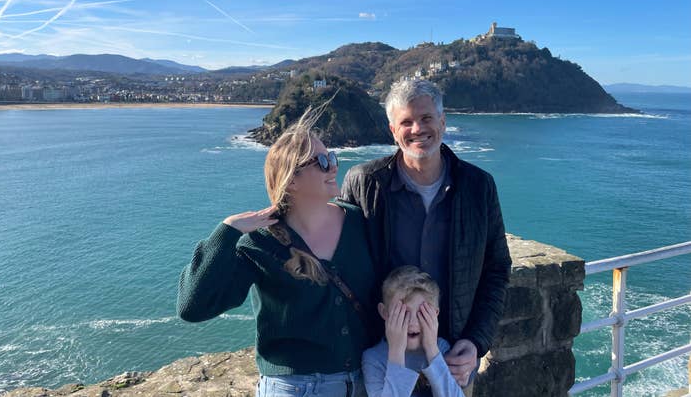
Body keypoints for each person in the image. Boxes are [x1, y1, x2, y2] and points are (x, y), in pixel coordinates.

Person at [178, 110, 378, 397]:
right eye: (322, 162)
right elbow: (191, 307)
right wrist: (227, 231)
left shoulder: (358, 222)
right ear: (292, 180)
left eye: (331, 157)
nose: (334, 167)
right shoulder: (260, 244)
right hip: (295, 389)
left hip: (363, 381)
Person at [341, 80, 511, 396]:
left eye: (427, 118)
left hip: (451, 362)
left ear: (443, 122)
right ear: (393, 130)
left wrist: (475, 342)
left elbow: (497, 270)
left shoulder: (478, 187)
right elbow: (339, 264)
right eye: (406, 121)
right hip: (383, 363)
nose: (417, 128)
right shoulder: (364, 183)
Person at [362, 266, 464, 397]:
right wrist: (396, 352)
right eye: (403, 312)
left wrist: (432, 350)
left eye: (422, 312)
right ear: (385, 312)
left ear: (435, 314)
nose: (413, 322)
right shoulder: (374, 359)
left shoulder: (441, 349)